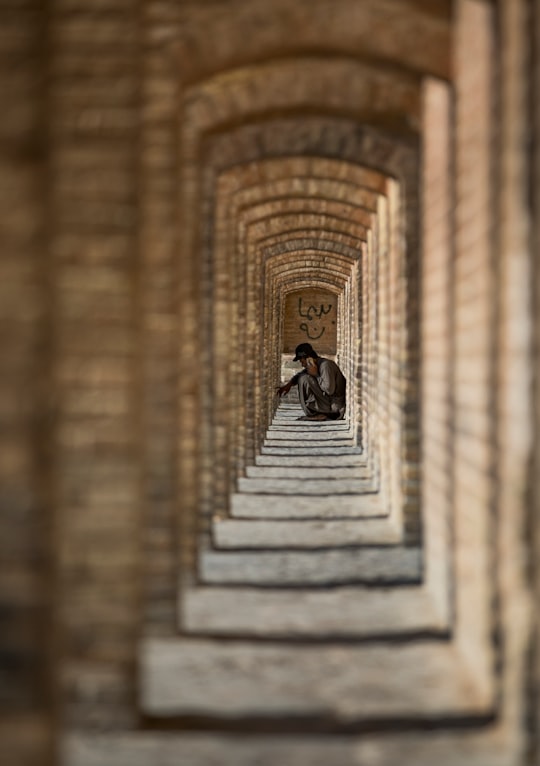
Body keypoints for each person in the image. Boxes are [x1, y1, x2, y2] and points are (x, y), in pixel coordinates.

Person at [276, 342, 346, 421]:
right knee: (302, 377)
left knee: (304, 379)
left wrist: (316, 375)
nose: (302, 365)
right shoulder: (315, 365)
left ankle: (321, 414)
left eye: (302, 361)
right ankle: (318, 413)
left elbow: (329, 390)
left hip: (335, 408)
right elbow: (300, 374)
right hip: (329, 404)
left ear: (309, 359)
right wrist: (289, 385)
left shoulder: (325, 366)